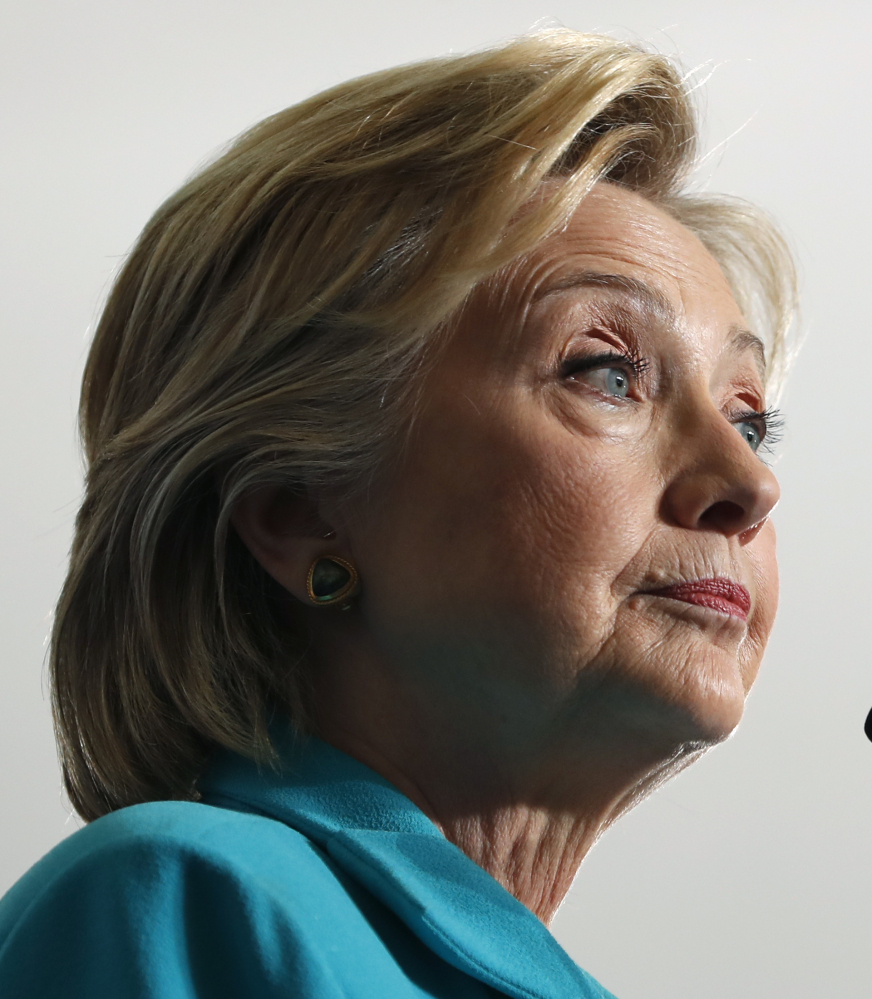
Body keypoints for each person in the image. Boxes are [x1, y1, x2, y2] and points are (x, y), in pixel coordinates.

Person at [0, 28, 795, 999]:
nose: (748, 487)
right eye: (605, 372)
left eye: (749, 420)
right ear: (298, 513)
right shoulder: (187, 901)